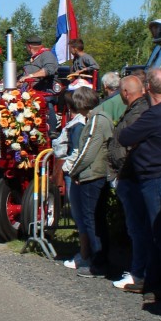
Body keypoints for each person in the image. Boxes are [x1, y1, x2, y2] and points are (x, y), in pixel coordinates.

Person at [117, 68, 161, 301]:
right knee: (156, 232)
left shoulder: (155, 115)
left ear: (147, 88)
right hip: (154, 177)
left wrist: (136, 138)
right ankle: (156, 281)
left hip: (155, 178)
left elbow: (124, 136)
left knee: (160, 233)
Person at [61, 86, 112, 276]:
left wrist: (73, 171)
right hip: (95, 173)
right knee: (95, 219)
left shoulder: (97, 120)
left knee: (92, 220)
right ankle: (99, 259)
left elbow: (88, 152)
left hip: (93, 175)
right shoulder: (97, 118)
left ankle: (98, 262)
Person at [106, 74, 149, 291]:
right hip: (127, 175)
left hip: (131, 176)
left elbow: (131, 145)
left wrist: (120, 171)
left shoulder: (138, 112)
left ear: (125, 92)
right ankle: (139, 270)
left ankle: (139, 273)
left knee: (138, 228)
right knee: (136, 228)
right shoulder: (135, 110)